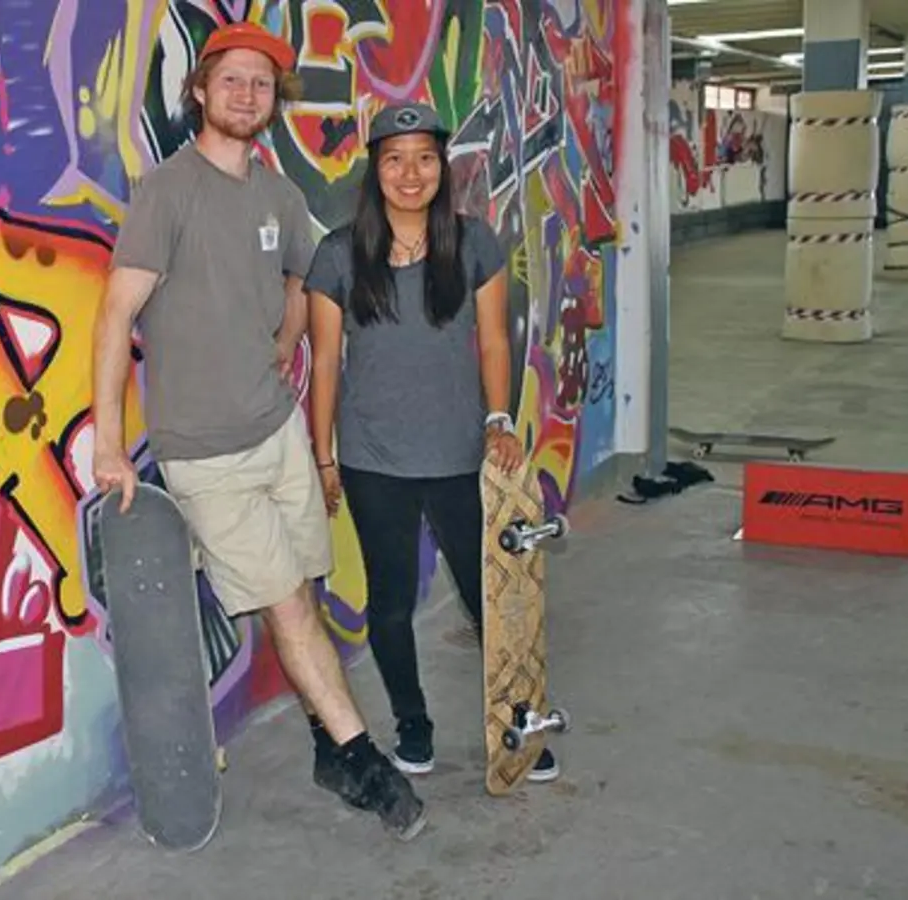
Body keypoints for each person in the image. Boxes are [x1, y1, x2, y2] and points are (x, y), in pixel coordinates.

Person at [90, 21, 426, 840]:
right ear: (199, 90)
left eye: (263, 83)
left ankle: (324, 744)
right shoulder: (169, 192)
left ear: (277, 99)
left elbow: (308, 274)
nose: (247, 94)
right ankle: (364, 760)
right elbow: (115, 316)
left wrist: (288, 334)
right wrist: (107, 442)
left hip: (276, 434)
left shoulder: (277, 194)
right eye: (231, 79)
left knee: (299, 590)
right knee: (289, 604)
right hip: (207, 452)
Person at [303, 102, 561, 780]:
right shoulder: (337, 254)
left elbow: (495, 340)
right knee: (390, 604)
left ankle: (520, 723)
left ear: (442, 166)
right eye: (394, 158)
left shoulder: (474, 242)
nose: (409, 172)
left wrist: (498, 420)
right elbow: (325, 362)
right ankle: (413, 725)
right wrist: (324, 454)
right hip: (372, 459)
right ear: (375, 168)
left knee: (490, 600)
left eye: (423, 157)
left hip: (458, 456)